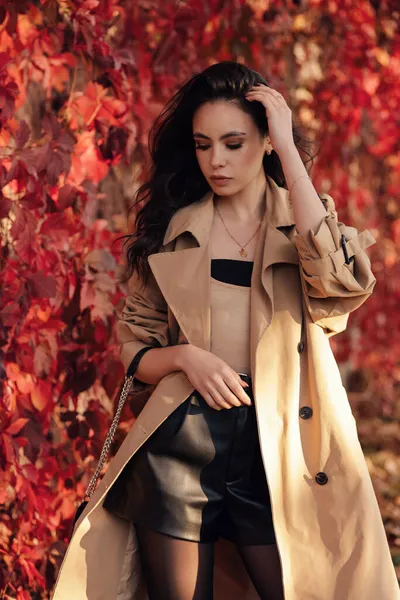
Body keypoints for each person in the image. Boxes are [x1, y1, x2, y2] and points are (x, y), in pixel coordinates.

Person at [51, 62, 399, 600]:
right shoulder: (173, 230)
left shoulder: (305, 224)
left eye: (235, 143)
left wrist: (290, 152)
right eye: (203, 144)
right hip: (179, 444)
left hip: (279, 444)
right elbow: (135, 346)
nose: (216, 160)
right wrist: (186, 358)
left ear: (264, 142)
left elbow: (339, 286)